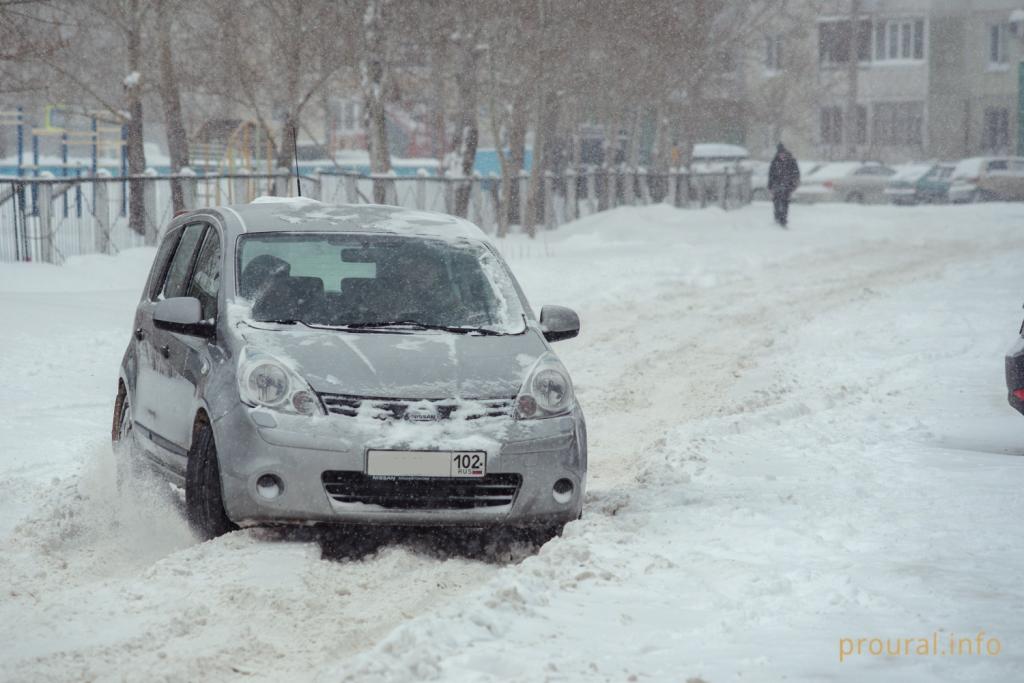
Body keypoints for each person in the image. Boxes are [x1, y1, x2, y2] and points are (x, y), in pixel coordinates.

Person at [768, 143, 800, 228]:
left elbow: (796, 173)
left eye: (782, 154)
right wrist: (770, 186)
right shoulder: (775, 162)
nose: (781, 156)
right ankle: (777, 216)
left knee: (785, 203)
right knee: (777, 202)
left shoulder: (791, 161)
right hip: (777, 185)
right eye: (780, 154)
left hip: (787, 186)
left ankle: (783, 219)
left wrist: (793, 184)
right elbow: (771, 175)